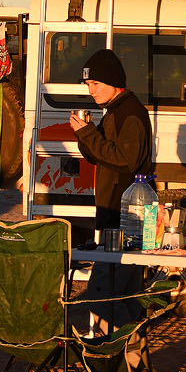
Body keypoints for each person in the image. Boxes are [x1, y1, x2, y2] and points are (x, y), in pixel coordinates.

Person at [69, 49, 152, 334]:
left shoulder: (129, 113)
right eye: (88, 85)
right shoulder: (115, 111)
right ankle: (133, 366)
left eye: (95, 84)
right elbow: (99, 156)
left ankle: (111, 360)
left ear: (114, 82)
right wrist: (86, 133)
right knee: (124, 293)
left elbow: (124, 160)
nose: (90, 90)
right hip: (116, 215)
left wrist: (88, 134)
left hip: (125, 217)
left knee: (103, 293)